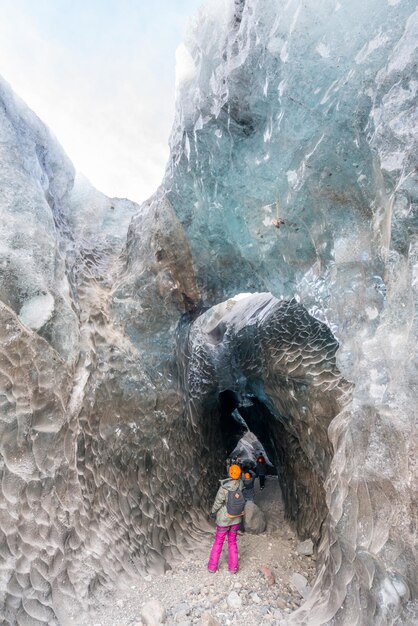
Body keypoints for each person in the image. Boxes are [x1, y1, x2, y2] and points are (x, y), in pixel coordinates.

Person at [207, 464, 244, 573]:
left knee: (218, 541)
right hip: (236, 518)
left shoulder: (224, 488)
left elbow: (218, 502)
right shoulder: (240, 484)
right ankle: (233, 568)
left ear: (230, 473)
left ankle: (212, 567)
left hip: (224, 520)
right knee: (232, 542)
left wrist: (213, 512)